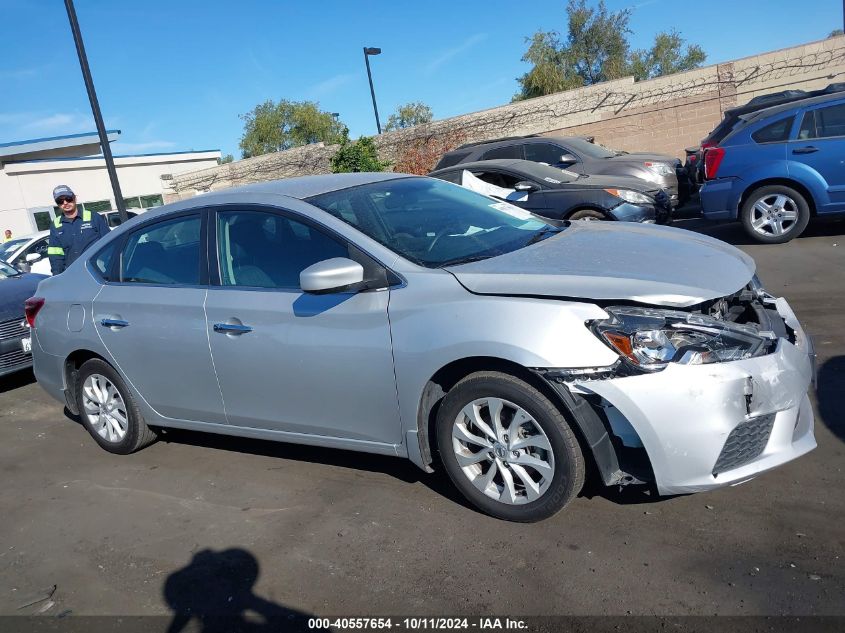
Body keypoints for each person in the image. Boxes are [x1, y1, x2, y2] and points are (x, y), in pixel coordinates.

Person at [48, 185, 109, 275]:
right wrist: (57, 276)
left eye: (68, 199)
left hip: (99, 272)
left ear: (75, 198)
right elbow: (55, 256)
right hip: (74, 275)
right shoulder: (55, 225)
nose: (65, 203)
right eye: (60, 201)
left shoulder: (93, 217)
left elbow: (109, 242)